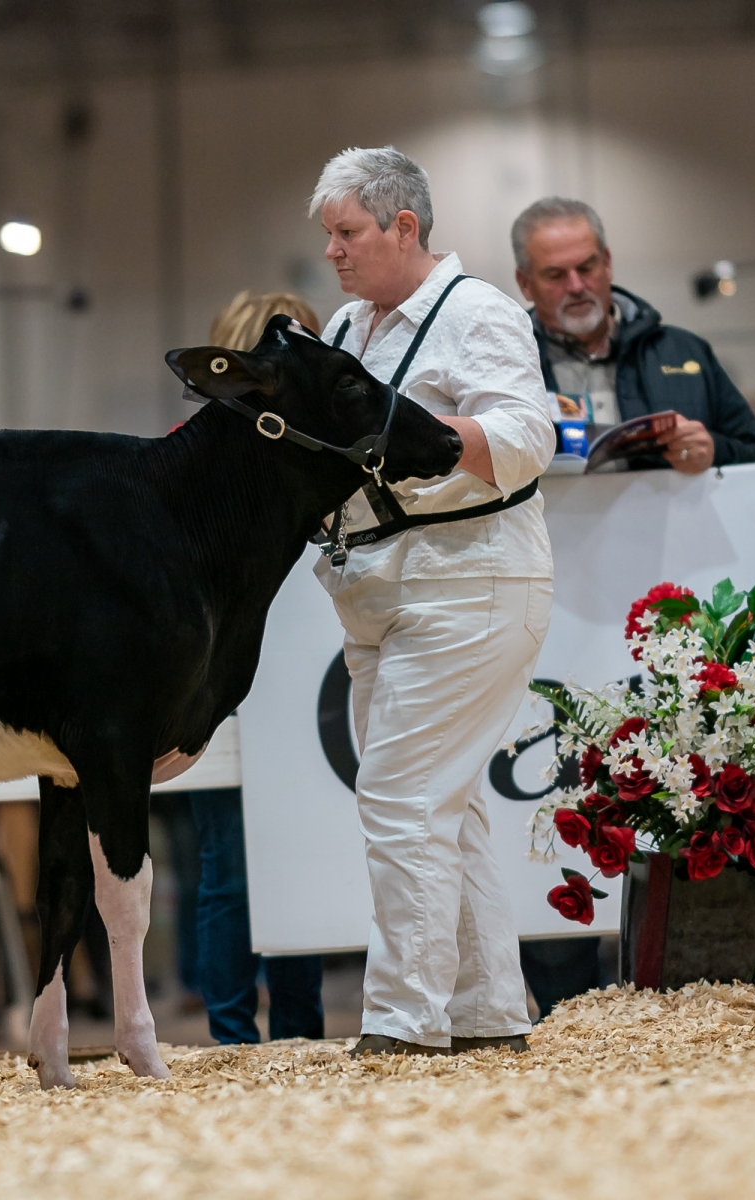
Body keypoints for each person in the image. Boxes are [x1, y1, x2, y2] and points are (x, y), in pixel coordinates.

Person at [311, 146, 554, 1057]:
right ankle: (489, 1013)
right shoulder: (346, 327)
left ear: (403, 225)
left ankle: (404, 1023)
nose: (332, 251)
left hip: (469, 580)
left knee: (402, 797)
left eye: (347, 232)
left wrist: (416, 431)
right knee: (445, 807)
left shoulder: (478, 312)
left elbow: (527, 437)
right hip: (375, 587)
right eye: (329, 234)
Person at [186, 290, 327, 1047]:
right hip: (238, 688)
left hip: (282, 682)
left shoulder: (318, 458)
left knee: (263, 862)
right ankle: (252, 1038)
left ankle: (266, 1036)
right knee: (240, 867)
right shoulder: (195, 456)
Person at [511, 197, 755, 473]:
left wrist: (714, 450)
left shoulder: (684, 351)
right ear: (525, 283)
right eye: (556, 275)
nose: (576, 286)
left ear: (607, 263)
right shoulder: (507, 365)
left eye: (586, 268)